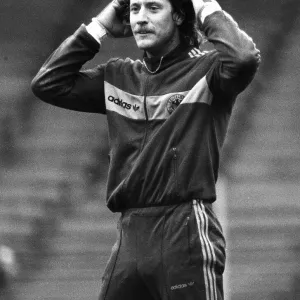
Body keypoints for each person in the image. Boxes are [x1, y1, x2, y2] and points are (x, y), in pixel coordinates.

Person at [31, 0, 261, 299]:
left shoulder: (207, 71)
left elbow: (243, 58)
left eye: (153, 8)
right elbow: (48, 83)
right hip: (130, 234)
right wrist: (98, 27)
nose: (140, 18)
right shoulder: (117, 76)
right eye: (135, 8)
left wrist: (204, 6)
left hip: (184, 227)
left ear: (179, 14)